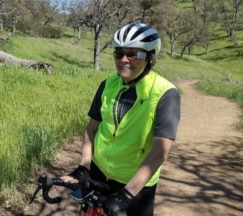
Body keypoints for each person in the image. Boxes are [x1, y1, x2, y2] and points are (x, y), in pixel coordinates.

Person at [61, 23, 181, 216]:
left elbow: (160, 151)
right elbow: (91, 129)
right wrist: (85, 166)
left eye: (133, 54)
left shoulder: (165, 93)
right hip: (99, 173)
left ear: (150, 58)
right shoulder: (107, 85)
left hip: (135, 183)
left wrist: (127, 194)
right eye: (119, 53)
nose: (124, 60)